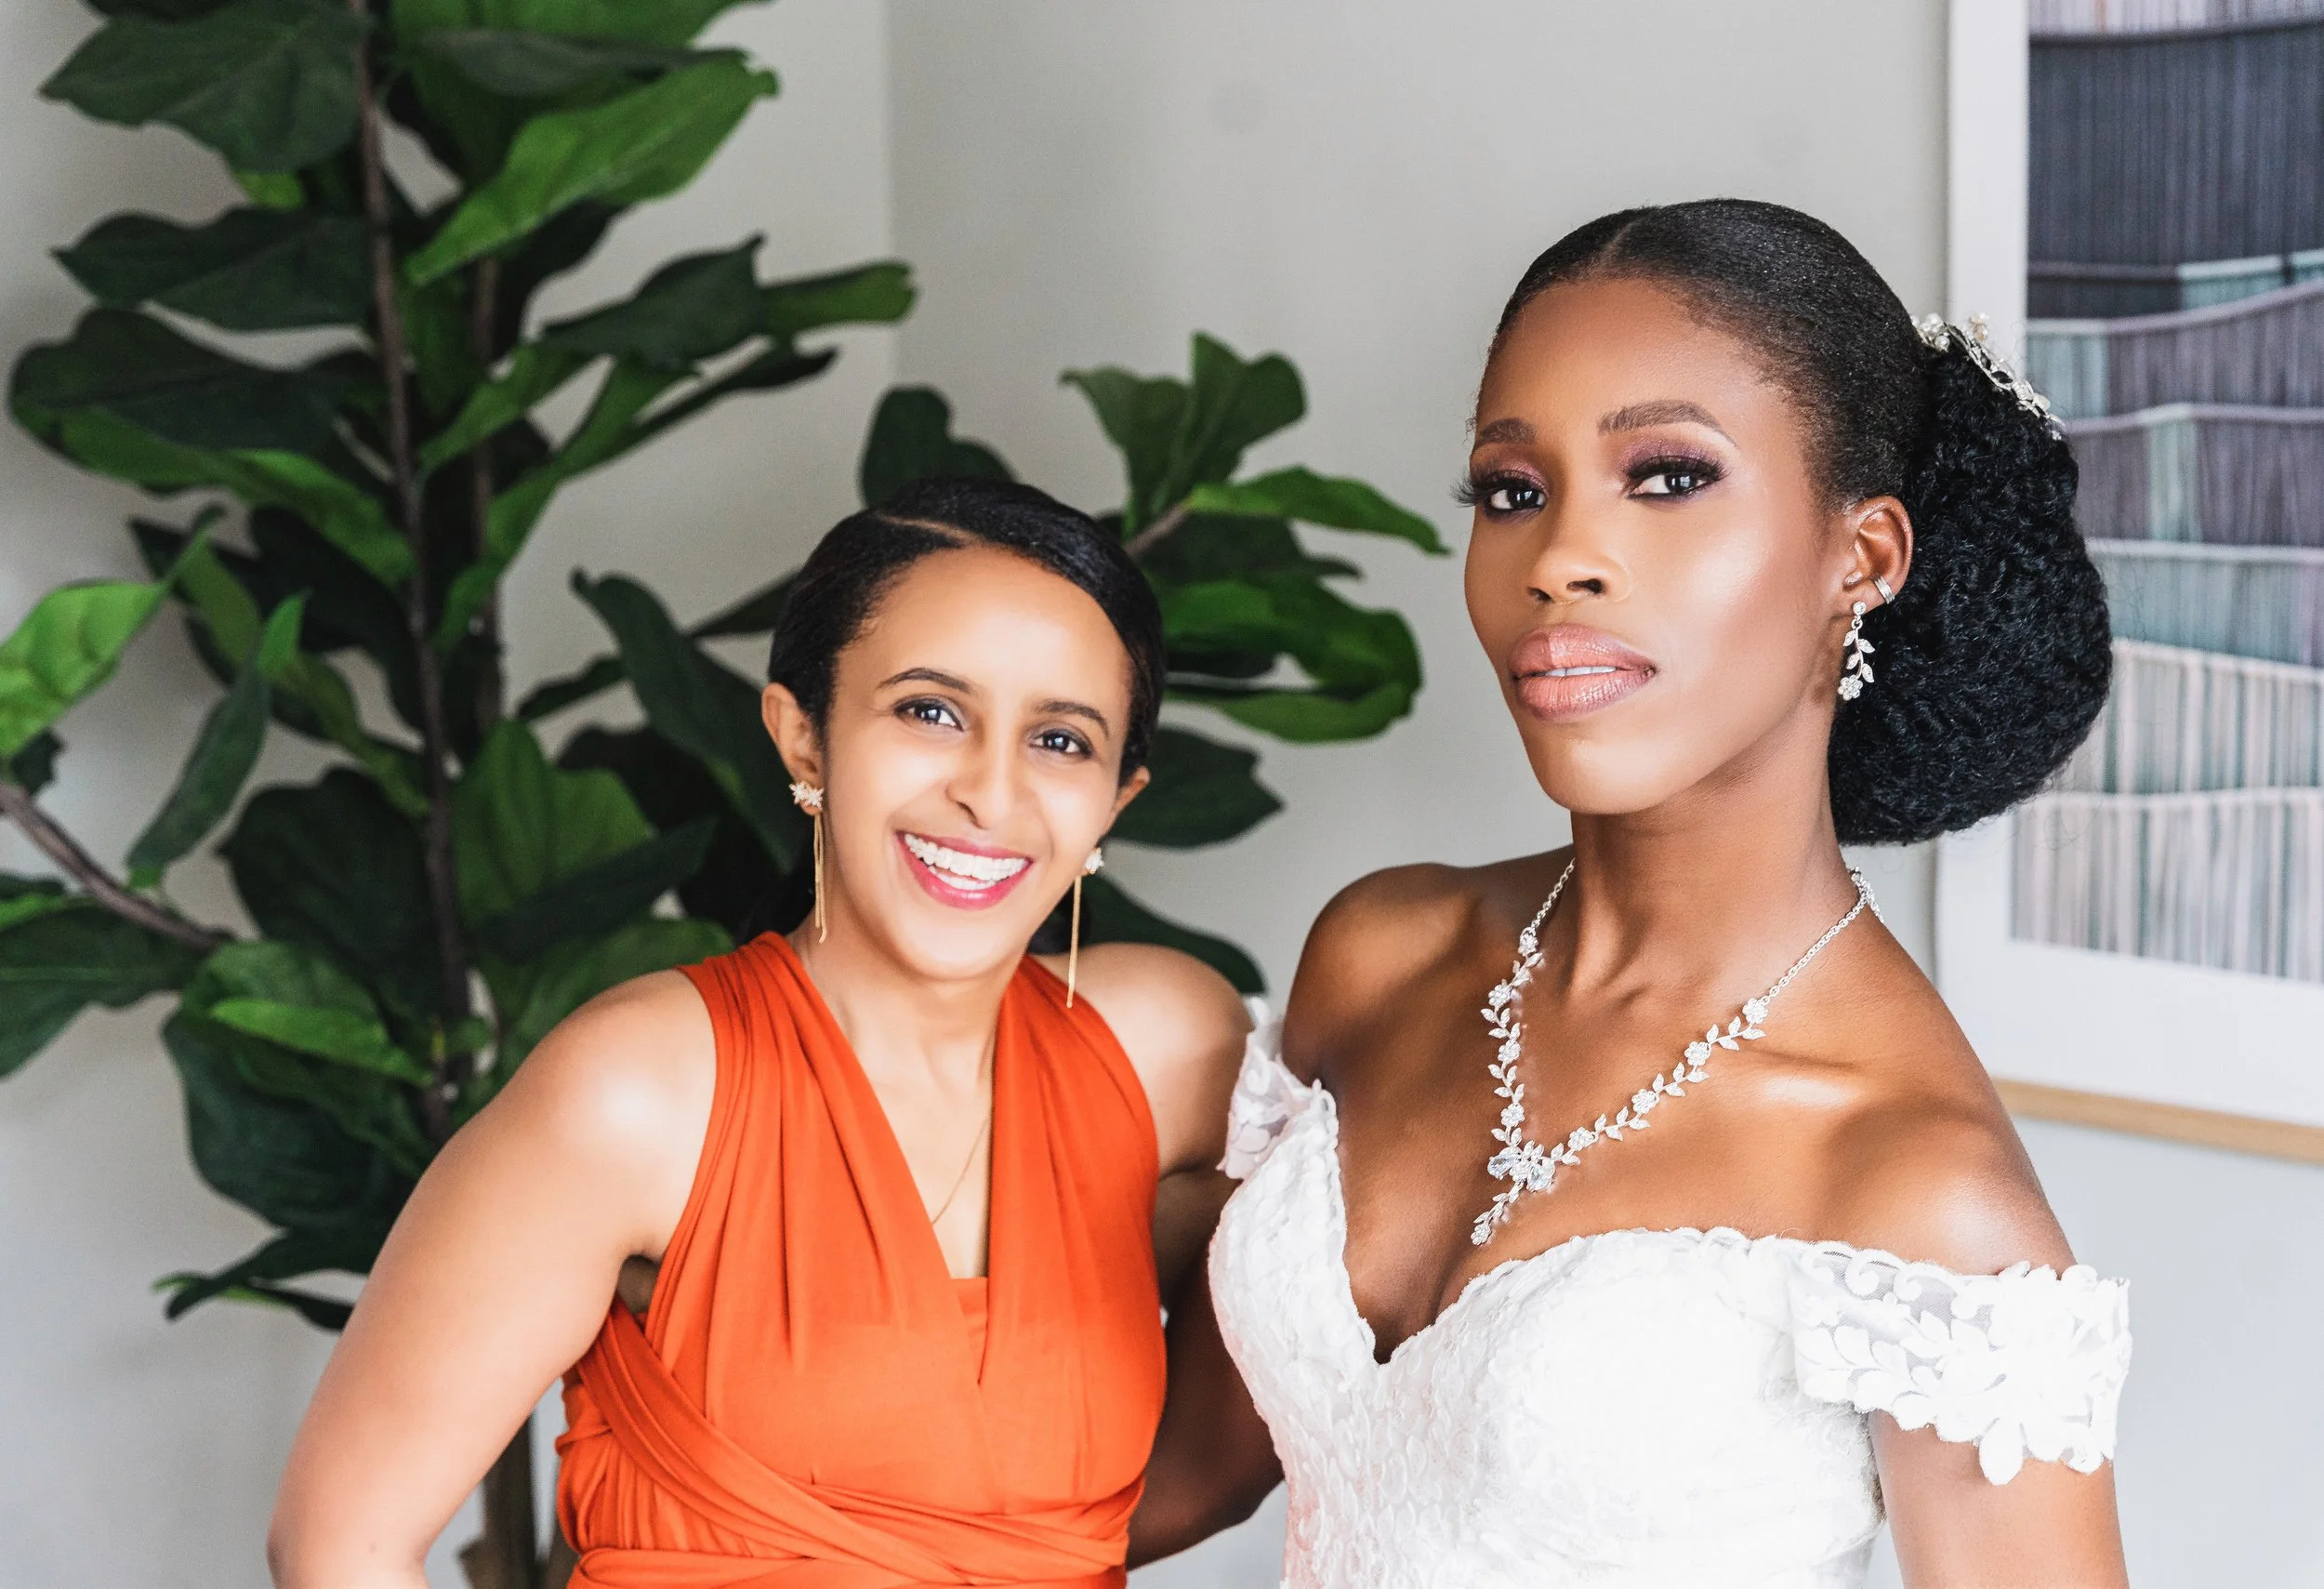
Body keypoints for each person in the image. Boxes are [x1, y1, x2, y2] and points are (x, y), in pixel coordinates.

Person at [1129, 201, 2133, 1587]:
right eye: (1511, 490)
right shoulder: (1383, 951)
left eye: (1665, 477)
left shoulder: (1916, 1183)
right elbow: (1183, 1472)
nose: (1557, 559)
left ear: (1862, 558)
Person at [270, 477, 1249, 1588]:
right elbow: (338, 1545)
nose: (991, 791)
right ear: (803, 737)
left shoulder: (1171, 1049)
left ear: (1115, 798)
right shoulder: (638, 1089)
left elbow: (1247, 1417)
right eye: (930, 711)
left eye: (1061, 739)